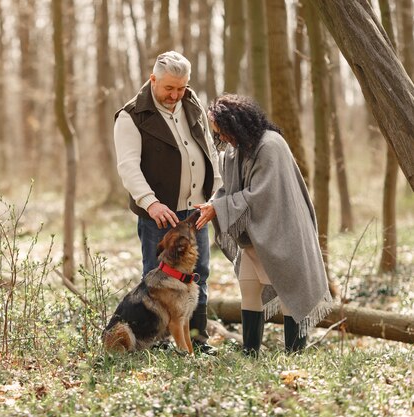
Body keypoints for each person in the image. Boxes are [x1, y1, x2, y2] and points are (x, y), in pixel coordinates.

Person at [195, 93, 332, 357]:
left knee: (291, 292)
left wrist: (220, 208)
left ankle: (295, 356)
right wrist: (213, 204)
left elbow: (262, 194)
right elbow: (227, 189)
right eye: (217, 133)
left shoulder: (270, 145)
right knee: (248, 287)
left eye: (223, 131)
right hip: (254, 237)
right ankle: (251, 354)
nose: (221, 138)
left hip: (284, 232)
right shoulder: (232, 152)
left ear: (237, 123)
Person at [113, 51, 221, 355]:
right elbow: (128, 167)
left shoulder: (191, 102)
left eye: (181, 88)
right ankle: (159, 343)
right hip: (159, 215)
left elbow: (209, 150)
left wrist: (215, 196)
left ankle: (198, 342)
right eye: (168, 88)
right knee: (157, 277)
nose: (175, 95)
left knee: (199, 273)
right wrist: (150, 203)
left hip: (196, 210)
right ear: (153, 80)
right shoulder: (132, 116)